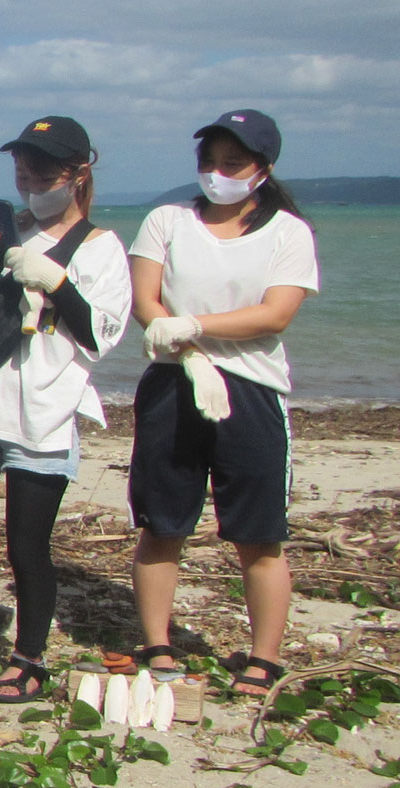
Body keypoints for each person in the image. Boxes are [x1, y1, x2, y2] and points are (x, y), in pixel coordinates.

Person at [0, 117, 131, 701]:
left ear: (78, 174)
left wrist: (58, 282)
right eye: (22, 170)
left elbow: (100, 336)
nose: (31, 181)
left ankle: (29, 658)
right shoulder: (11, 234)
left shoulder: (101, 248)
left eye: (43, 171)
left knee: (27, 547)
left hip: (43, 416)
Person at [126, 109, 319, 696]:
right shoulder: (167, 219)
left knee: (259, 534)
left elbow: (276, 312)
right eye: (208, 162)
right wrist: (181, 340)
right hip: (172, 383)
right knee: (163, 524)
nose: (217, 174)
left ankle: (264, 658)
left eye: (232, 164)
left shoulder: (288, 232)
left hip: (251, 390)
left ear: (262, 168)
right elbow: (145, 300)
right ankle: (157, 642)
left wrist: (190, 325)